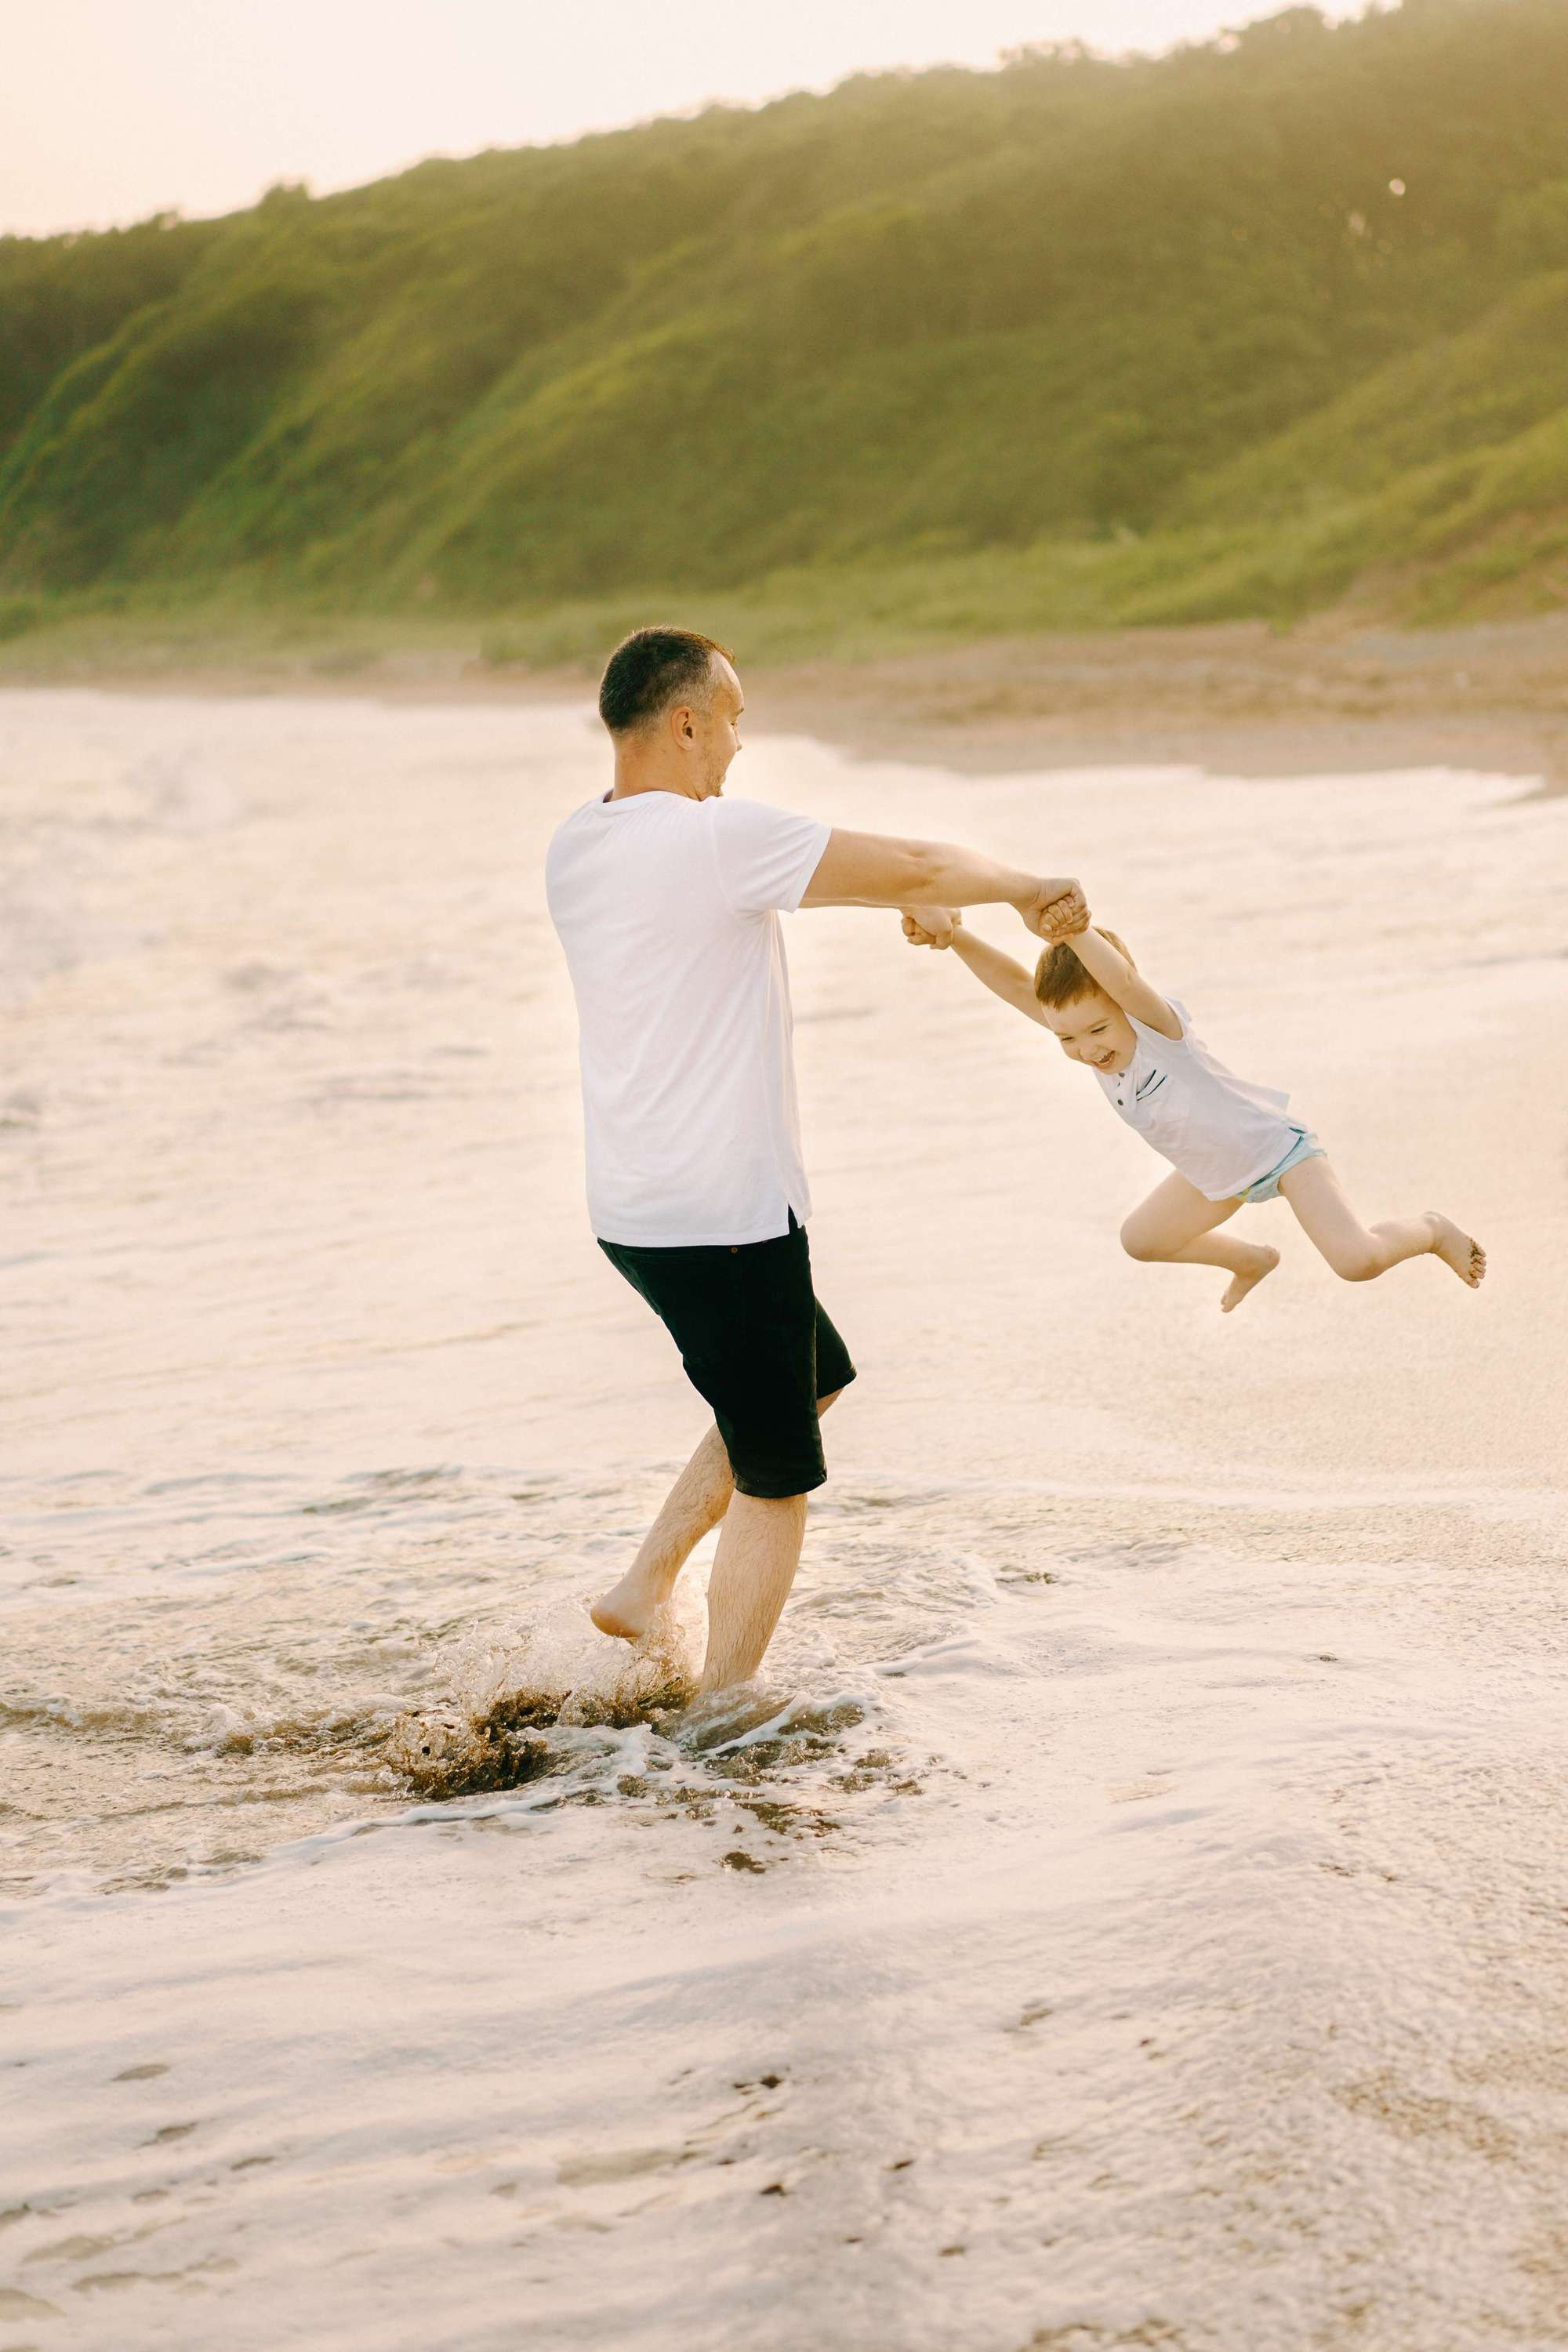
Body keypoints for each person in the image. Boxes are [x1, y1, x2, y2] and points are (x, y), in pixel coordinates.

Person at [546, 626, 1084, 1694]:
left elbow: (799, 895)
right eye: (734, 717)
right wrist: (1023, 889)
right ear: (687, 722)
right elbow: (917, 862)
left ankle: (643, 1588)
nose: (741, 743)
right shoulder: (711, 840)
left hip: (636, 1209)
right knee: (778, 1476)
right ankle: (722, 1717)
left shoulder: (581, 843)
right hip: (725, 1216)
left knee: (806, 1378)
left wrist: (907, 900)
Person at [901, 901, 1486, 1311]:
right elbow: (1016, 988)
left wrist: (1076, 931)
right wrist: (956, 938)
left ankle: (1431, 1230)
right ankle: (1251, 1259)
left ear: (1124, 1007)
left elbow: (1125, 985)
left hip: (1281, 1154)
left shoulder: (1156, 1029)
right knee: (1142, 1240)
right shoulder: (1093, 1042)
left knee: (1356, 1262)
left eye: (1096, 1030)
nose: (1085, 1050)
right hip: (1215, 1176)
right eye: (1067, 1039)